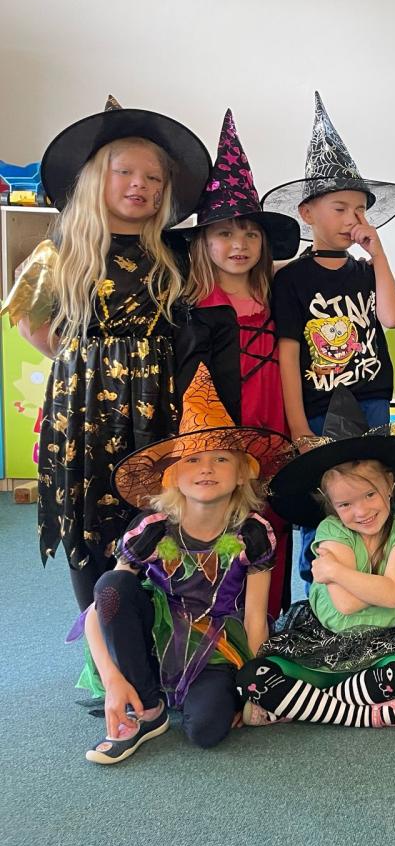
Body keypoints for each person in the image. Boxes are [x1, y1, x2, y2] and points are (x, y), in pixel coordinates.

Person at [4, 95, 211, 610]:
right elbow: (31, 323)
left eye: (153, 177)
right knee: (86, 511)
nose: (140, 184)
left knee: (154, 507)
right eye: (125, 172)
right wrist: (86, 361)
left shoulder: (177, 255)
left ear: (164, 190)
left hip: (156, 401)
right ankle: (99, 630)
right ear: (98, 178)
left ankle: (149, 625)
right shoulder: (61, 252)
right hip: (83, 405)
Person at [75, 364, 294, 762]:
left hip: (216, 646)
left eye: (221, 458)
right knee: (112, 583)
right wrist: (112, 679)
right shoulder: (153, 528)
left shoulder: (253, 532)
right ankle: (149, 707)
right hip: (153, 639)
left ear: (242, 473)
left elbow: (255, 619)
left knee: (207, 730)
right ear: (174, 475)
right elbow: (100, 607)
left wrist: (250, 686)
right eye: (192, 460)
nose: (206, 468)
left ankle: (191, 693)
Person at [263, 92, 395, 583]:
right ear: (308, 213)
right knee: (326, 505)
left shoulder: (367, 271)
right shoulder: (292, 279)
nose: (353, 219)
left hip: (371, 401)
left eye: (361, 210)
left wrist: (379, 253)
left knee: (374, 500)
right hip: (319, 409)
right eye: (341, 208)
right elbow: (287, 354)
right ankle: (322, 595)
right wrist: (297, 426)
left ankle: (376, 589)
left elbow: (392, 318)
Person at [238, 389, 395, 729]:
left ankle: (301, 704)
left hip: (377, 645)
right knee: (253, 678)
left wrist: (335, 571)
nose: (361, 511)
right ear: (330, 503)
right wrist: (391, 580)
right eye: (345, 504)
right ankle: (365, 714)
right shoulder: (331, 529)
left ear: (389, 484)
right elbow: (345, 605)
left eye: (369, 494)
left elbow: (391, 597)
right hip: (321, 639)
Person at [174, 109, 301, 619]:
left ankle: (266, 618)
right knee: (225, 520)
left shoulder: (278, 295)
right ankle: (219, 621)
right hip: (222, 431)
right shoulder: (195, 307)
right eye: (224, 234)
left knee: (273, 517)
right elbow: (191, 384)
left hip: (275, 426)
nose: (239, 245)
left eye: (250, 234)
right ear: (203, 242)